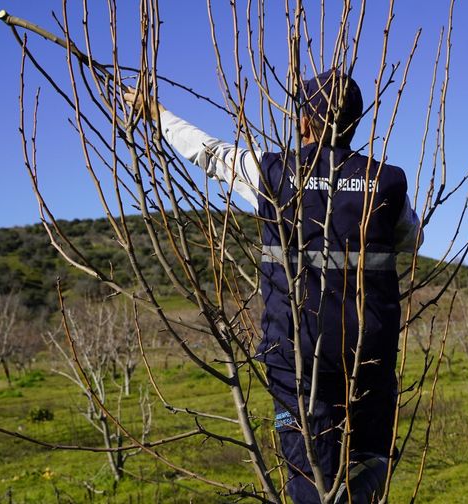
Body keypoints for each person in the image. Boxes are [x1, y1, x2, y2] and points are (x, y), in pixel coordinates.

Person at [125, 70, 422, 503]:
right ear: (355, 123)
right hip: (369, 352)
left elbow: (210, 153)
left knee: (310, 476)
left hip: (294, 356)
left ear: (304, 121)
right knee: (371, 459)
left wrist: (157, 113)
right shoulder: (387, 181)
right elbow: (411, 238)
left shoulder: (273, 173)